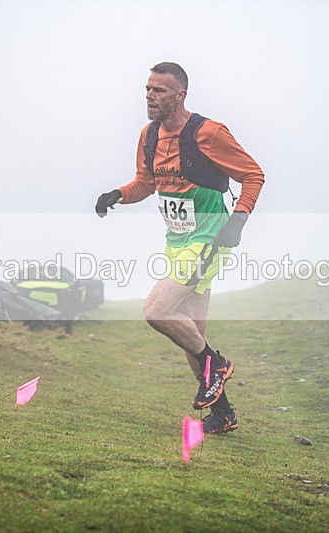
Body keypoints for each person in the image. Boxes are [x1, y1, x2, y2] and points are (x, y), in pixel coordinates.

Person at [96, 62, 264, 434]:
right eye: (147, 89)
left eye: (158, 90)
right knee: (191, 333)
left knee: (156, 310)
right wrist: (117, 195)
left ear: (180, 95)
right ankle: (223, 415)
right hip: (177, 241)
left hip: (209, 241)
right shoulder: (149, 135)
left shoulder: (209, 133)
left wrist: (238, 220)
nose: (149, 96)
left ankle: (216, 365)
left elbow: (253, 174)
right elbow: (146, 182)